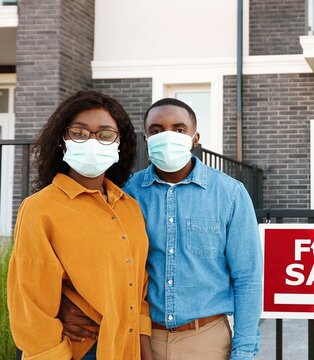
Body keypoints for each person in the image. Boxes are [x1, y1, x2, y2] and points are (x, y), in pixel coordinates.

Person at [59, 98, 263, 360]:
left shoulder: (230, 194)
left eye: (178, 130)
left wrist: (244, 350)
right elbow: (96, 264)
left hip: (206, 340)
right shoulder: (125, 194)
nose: (167, 137)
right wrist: (65, 305)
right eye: (156, 131)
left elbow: (247, 277)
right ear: (146, 139)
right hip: (138, 339)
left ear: (195, 138)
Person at [7, 91, 152, 360]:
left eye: (105, 134)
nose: (92, 142)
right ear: (63, 140)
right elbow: (32, 307)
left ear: (119, 145)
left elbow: (139, 288)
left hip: (125, 347)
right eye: (80, 133)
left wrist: (144, 351)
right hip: (79, 349)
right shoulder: (41, 209)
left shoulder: (129, 207)